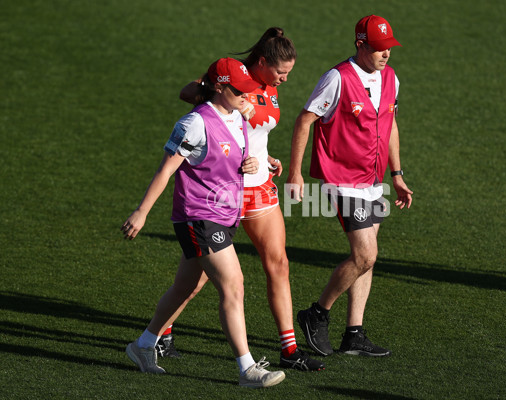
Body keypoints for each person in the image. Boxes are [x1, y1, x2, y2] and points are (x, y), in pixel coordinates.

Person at [165, 27, 325, 371]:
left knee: (278, 263)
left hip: (259, 185)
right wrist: (213, 91)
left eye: (288, 73)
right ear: (263, 62)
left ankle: (289, 349)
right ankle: (160, 333)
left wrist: (266, 156)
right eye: (281, 71)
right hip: (223, 191)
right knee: (200, 278)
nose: (285, 78)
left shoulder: (270, 88)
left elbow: (254, 132)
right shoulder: (233, 79)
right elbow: (188, 91)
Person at [121, 57, 285, 388]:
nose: (246, 96)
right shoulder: (193, 124)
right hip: (198, 216)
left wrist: (258, 161)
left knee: (186, 287)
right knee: (234, 284)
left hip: (223, 216)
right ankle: (247, 368)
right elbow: (166, 169)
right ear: (220, 88)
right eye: (240, 91)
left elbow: (231, 152)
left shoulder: (237, 115)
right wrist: (142, 211)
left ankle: (142, 346)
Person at [285, 15, 413, 357]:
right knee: (365, 253)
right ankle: (317, 313)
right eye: (379, 48)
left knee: (367, 258)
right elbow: (305, 119)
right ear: (361, 45)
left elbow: (390, 124)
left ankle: (353, 334)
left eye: (389, 47)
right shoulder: (337, 78)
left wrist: (397, 173)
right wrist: (295, 172)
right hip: (342, 179)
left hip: (373, 181)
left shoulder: (390, 78)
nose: (386, 54)